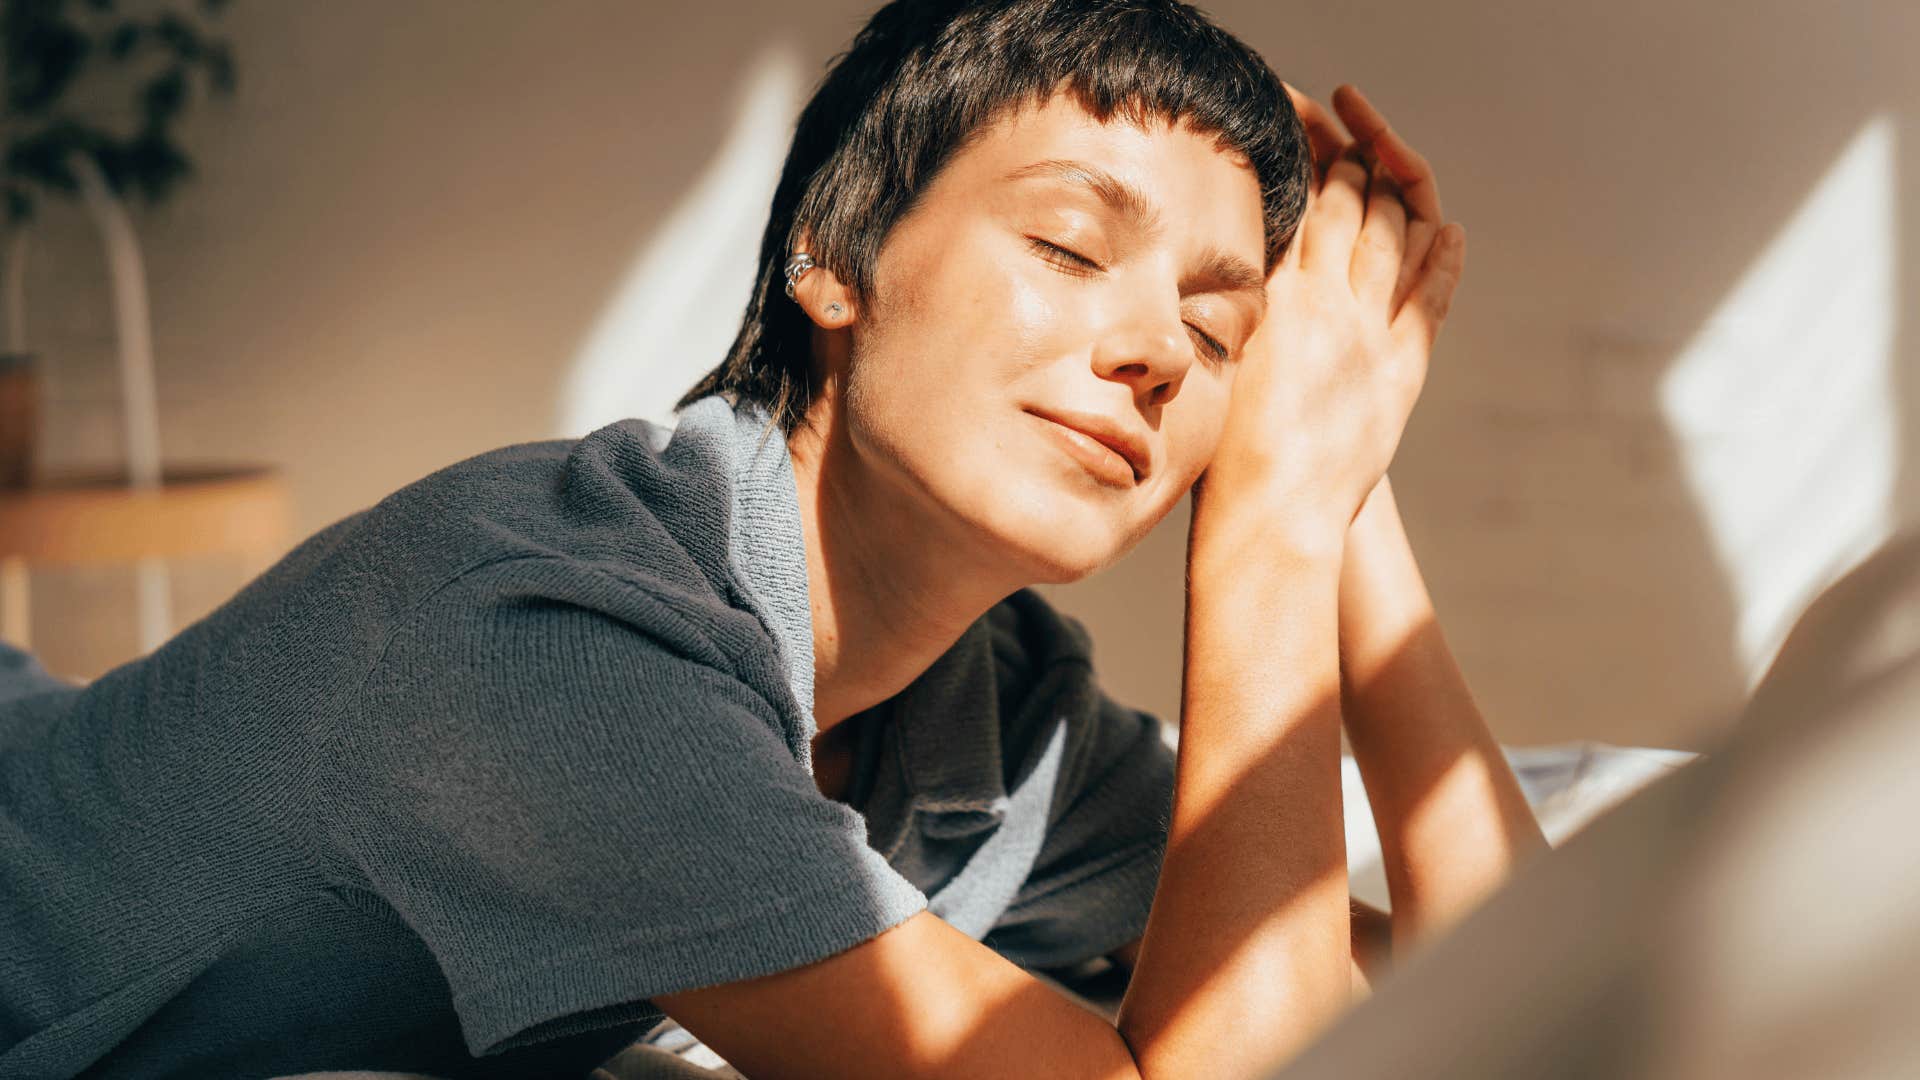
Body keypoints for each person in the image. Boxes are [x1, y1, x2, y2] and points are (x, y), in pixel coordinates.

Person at [0, 1, 1544, 1078]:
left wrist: (1344, 482)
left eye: (1220, 338)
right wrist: (1269, 524)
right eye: (1072, 245)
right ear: (829, 256)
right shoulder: (561, 656)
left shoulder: (988, 720)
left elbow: (1499, 994)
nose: (1154, 348)